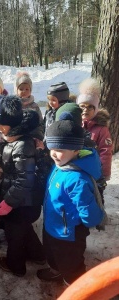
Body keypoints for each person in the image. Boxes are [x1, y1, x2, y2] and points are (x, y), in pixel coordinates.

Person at [37, 114, 104, 285]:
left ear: (75, 150)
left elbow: (89, 211)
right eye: (52, 148)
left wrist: (89, 221)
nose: (54, 154)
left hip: (69, 234)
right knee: (53, 255)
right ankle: (56, 271)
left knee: (71, 264)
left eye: (60, 150)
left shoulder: (76, 178)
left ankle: (74, 286)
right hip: (54, 226)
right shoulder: (61, 165)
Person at [0, 95, 46, 277]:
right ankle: (38, 254)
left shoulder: (22, 145)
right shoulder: (13, 140)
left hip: (22, 204)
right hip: (22, 202)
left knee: (15, 237)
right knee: (23, 229)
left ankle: (16, 265)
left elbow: (24, 179)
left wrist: (8, 202)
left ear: (13, 123)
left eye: (2, 124)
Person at [76, 78, 113, 182]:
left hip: (94, 170)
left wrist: (103, 174)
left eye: (89, 107)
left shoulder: (101, 129)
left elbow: (105, 151)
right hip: (77, 169)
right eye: (82, 106)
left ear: (95, 109)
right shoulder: (75, 124)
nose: (85, 110)